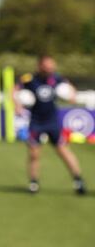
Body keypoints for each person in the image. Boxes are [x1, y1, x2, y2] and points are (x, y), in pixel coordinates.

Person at [14, 54, 86, 195]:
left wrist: (72, 95)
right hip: (36, 122)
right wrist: (17, 104)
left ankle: (78, 180)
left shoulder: (57, 78)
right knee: (34, 153)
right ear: (40, 66)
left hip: (52, 122)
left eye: (52, 65)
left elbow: (71, 88)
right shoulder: (30, 79)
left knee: (63, 151)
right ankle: (34, 182)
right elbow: (14, 89)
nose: (50, 68)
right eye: (47, 65)